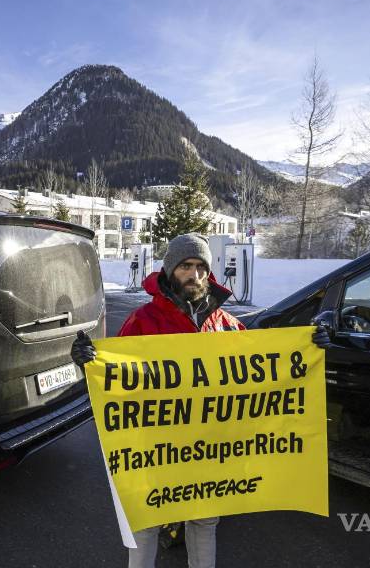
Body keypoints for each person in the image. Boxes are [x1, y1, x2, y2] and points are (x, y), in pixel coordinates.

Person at [70, 233, 243, 568]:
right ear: (169, 270)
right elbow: (115, 380)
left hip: (207, 446)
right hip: (153, 445)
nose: (195, 275)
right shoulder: (144, 321)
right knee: (146, 520)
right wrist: (89, 363)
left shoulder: (225, 325)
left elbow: (263, 370)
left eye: (201, 267)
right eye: (185, 266)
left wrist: (311, 346)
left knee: (204, 521)